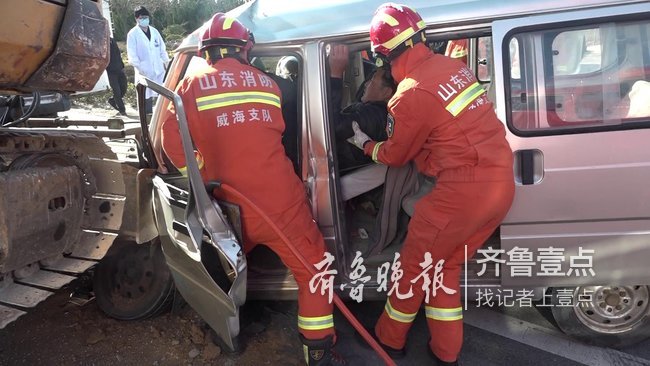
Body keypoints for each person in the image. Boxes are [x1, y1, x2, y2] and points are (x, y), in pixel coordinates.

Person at [160, 13, 347, 366]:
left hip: (226, 209)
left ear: (207, 53)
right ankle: (318, 352)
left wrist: (199, 174)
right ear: (246, 50)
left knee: (222, 273)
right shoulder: (269, 85)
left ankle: (228, 328)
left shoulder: (188, 88)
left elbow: (168, 142)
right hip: (280, 206)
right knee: (315, 273)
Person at [349, 3, 515, 365]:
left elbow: (395, 154)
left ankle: (388, 340)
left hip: (462, 195)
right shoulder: (455, 68)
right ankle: (445, 351)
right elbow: (453, 131)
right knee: (443, 267)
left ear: (382, 54)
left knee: (413, 266)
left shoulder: (409, 93)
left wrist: (364, 144)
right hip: (501, 184)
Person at [328, 44, 396, 201]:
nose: (366, 83)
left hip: (337, 168)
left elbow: (331, 127)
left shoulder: (374, 116)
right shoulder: (375, 108)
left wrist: (335, 75)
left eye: (372, 80)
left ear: (386, 92)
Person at [126, 6, 169, 114]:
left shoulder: (154, 32)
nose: (145, 19)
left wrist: (166, 62)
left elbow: (162, 49)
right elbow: (132, 55)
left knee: (162, 99)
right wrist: (141, 69)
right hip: (144, 73)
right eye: (142, 17)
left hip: (159, 71)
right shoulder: (133, 34)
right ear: (137, 19)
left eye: (146, 17)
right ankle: (147, 124)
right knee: (146, 100)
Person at [107, 37, 127, 116]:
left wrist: (122, 65)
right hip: (110, 71)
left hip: (119, 68)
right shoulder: (101, 43)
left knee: (124, 88)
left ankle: (112, 100)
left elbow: (118, 53)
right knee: (117, 91)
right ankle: (122, 110)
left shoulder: (112, 40)